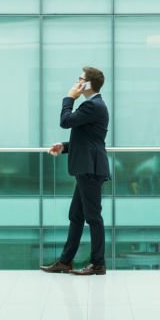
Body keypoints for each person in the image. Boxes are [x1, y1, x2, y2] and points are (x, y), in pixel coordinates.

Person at [41, 66, 110, 276]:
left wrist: (69, 97)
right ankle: (65, 261)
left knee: (93, 217)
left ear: (88, 84)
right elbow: (87, 139)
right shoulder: (90, 105)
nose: (77, 82)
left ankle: (98, 264)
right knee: (76, 216)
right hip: (86, 166)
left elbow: (65, 121)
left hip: (90, 168)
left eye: (80, 79)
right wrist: (64, 147)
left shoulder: (93, 105)